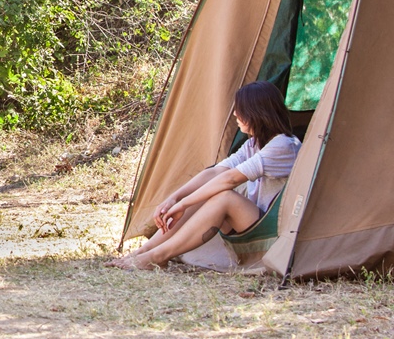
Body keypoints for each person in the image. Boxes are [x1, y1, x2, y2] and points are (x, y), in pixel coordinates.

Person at [108, 81, 301, 270]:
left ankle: (157, 257)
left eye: (240, 109)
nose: (235, 114)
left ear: (256, 113)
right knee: (207, 190)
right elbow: (216, 171)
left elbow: (230, 179)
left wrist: (183, 205)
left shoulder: (284, 145)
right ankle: (145, 250)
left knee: (224, 196)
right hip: (257, 222)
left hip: (275, 230)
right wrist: (175, 198)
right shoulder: (254, 144)